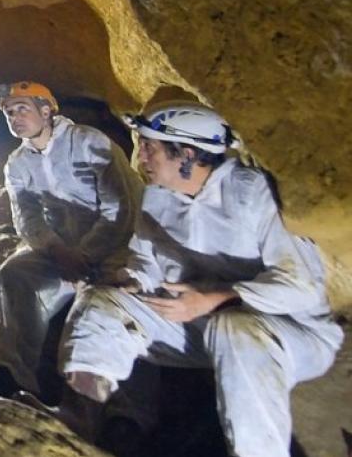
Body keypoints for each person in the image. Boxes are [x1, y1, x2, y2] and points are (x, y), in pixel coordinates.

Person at [60, 103, 344, 457]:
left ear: (187, 154)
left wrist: (214, 298)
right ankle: (76, 419)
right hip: (199, 323)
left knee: (233, 328)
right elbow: (144, 260)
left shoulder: (253, 193)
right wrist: (130, 280)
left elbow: (301, 287)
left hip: (290, 332)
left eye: (150, 146)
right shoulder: (157, 199)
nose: (141, 156)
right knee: (99, 301)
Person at [0, 81, 142, 398]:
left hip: (115, 248)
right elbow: (26, 217)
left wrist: (84, 254)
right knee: (15, 273)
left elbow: (121, 208)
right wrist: (56, 249)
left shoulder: (89, 142)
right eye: (9, 112)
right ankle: (12, 372)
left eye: (23, 109)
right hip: (61, 251)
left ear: (46, 111)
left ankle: (123, 411)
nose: (15, 117)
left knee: (112, 302)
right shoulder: (18, 163)